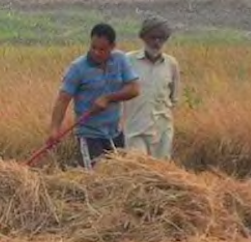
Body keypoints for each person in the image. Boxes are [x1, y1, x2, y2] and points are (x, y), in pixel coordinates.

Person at [48, 23, 140, 169]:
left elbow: (134, 89)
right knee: (96, 178)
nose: (96, 52)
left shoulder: (120, 60)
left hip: (114, 132)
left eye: (102, 49)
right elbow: (62, 100)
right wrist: (54, 130)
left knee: (121, 175)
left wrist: (108, 98)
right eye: (93, 47)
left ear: (113, 46)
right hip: (89, 134)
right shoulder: (78, 68)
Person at [123, 16, 181, 160]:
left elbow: (174, 98)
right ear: (143, 37)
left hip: (162, 131)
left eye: (161, 38)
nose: (157, 42)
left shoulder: (171, 64)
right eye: (153, 37)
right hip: (135, 130)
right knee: (137, 169)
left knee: (160, 173)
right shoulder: (128, 60)